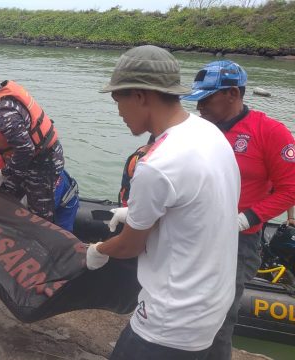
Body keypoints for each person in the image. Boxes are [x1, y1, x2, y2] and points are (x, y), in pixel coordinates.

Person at [86, 45, 240, 359]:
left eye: (119, 100)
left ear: (142, 95)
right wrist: (137, 210)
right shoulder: (208, 132)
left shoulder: (157, 163)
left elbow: (130, 246)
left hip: (172, 318)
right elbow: (194, 202)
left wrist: (97, 251)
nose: (118, 112)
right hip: (213, 302)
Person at [182, 60, 295, 360]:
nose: (200, 105)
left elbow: (290, 188)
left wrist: (247, 219)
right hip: (193, 233)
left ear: (232, 93)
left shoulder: (269, 132)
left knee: (219, 318)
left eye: (207, 98)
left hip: (237, 242)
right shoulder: (197, 129)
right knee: (184, 308)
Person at [0, 63, 64, 222]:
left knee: (40, 213)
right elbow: (17, 134)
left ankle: (40, 241)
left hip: (43, 161)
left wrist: (3, 173)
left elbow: (25, 149)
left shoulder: (4, 110)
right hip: (23, 158)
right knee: (5, 194)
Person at [0, 147, 79, 231]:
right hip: (19, 191)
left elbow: (43, 212)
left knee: (59, 235)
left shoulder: (47, 176)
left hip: (62, 202)